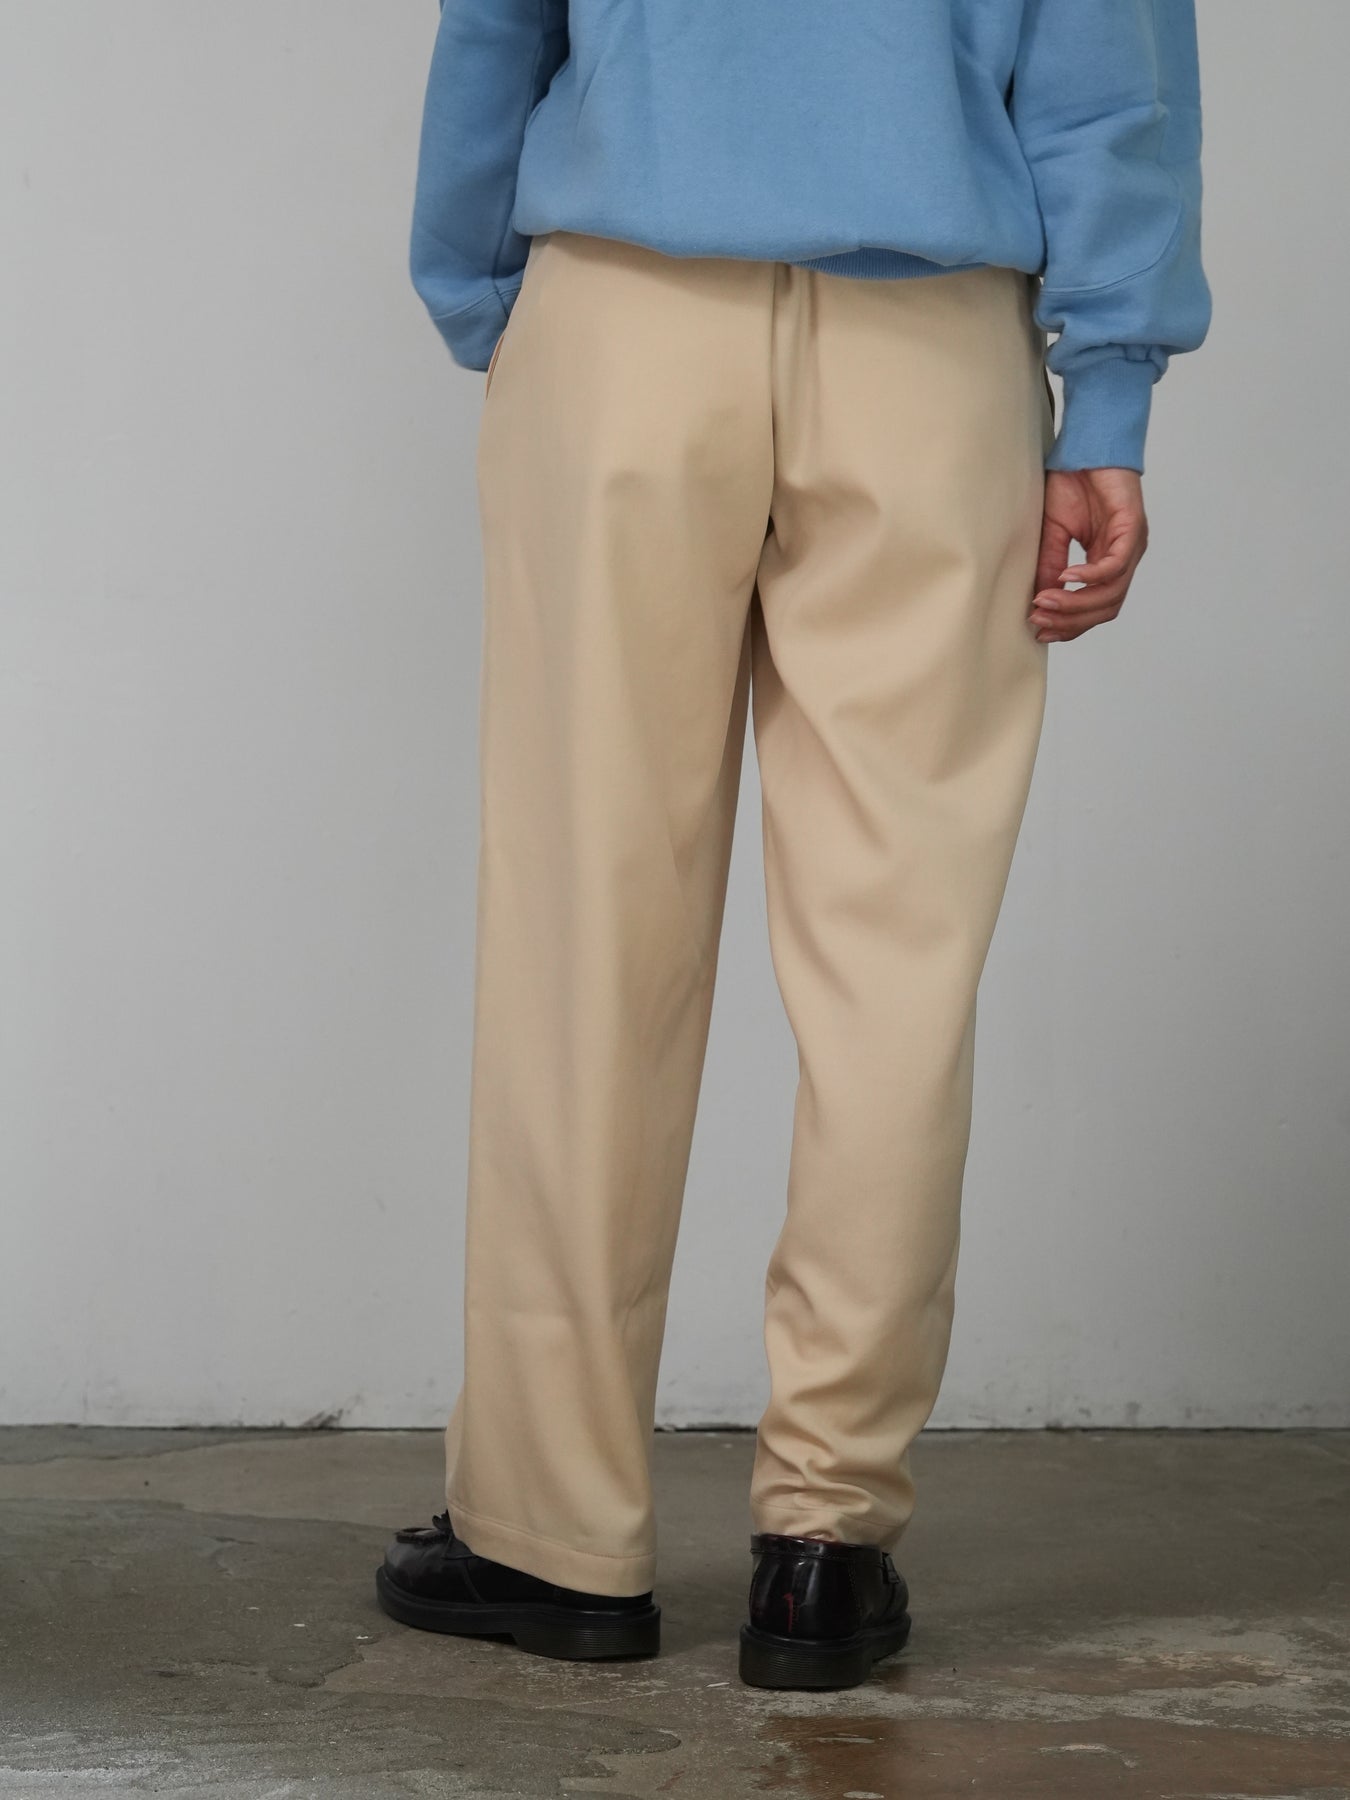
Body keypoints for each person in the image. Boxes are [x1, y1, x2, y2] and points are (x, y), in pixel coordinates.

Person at [374, 0, 1212, 1691]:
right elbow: (1104, 72)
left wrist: (487, 295)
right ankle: (827, 1545)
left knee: (585, 936)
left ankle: (551, 1536)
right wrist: (1106, 393)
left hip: (624, 314)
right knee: (897, 958)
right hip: (932, 350)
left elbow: (497, 32)